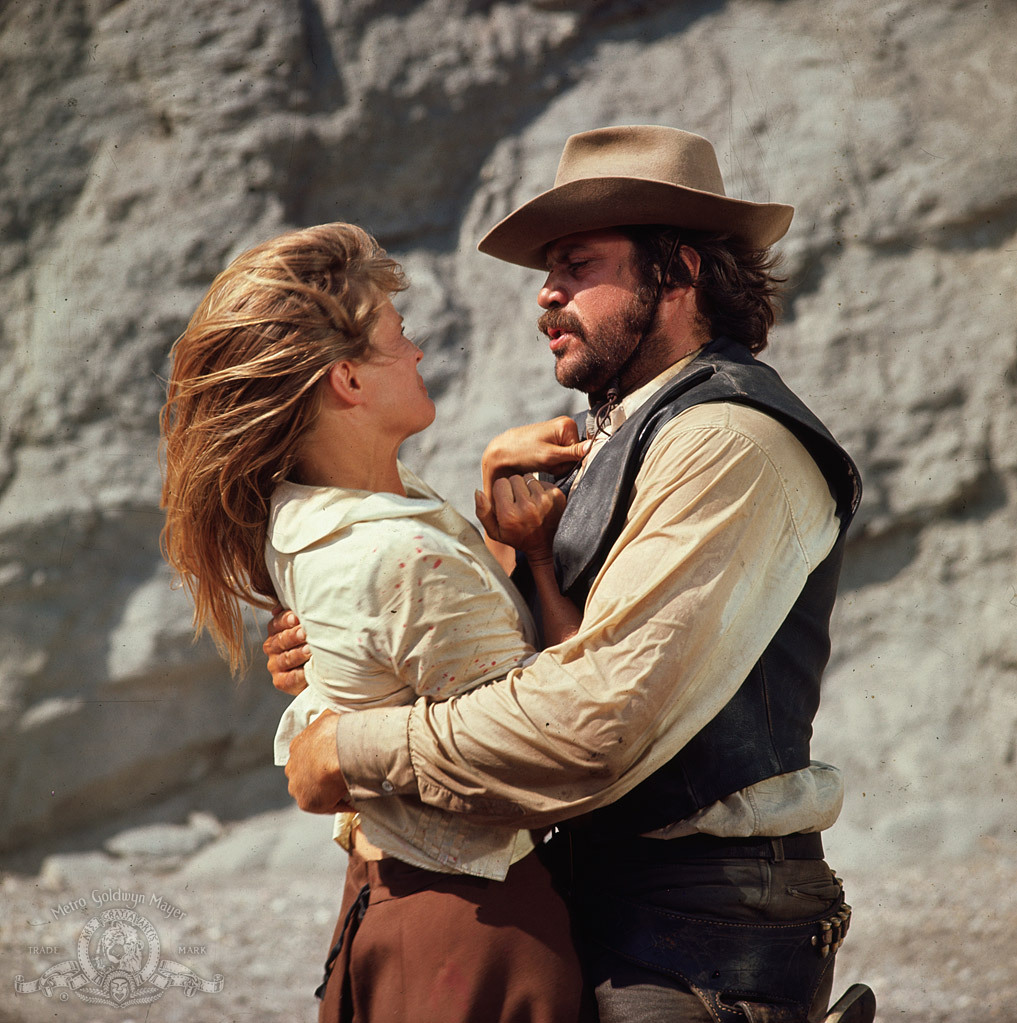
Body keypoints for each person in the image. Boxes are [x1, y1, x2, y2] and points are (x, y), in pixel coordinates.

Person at [270, 126, 870, 1023]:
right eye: (547, 270)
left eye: (577, 263)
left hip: (695, 939)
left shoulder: (727, 442)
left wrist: (349, 747)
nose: (545, 295)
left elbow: (596, 717)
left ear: (678, 271)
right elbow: (519, 658)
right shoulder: (632, 431)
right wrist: (346, 646)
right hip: (611, 895)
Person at [159, 222, 586, 1023]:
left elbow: (410, 654)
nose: (420, 352)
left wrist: (492, 493)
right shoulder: (402, 552)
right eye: (401, 337)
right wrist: (530, 558)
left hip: (391, 902)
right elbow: (546, 754)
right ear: (348, 380)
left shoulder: (303, 520)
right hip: (479, 927)